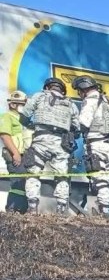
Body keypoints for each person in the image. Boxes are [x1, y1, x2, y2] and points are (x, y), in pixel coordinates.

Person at [21, 78, 79, 215]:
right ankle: (61, 209)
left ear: (47, 87)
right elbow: (77, 129)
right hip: (61, 143)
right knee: (62, 176)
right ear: (62, 89)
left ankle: (32, 208)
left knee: (33, 172)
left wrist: (31, 125)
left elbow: (24, 116)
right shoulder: (70, 103)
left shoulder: (39, 96)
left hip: (41, 139)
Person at [73, 75, 109, 216]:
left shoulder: (91, 100)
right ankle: (103, 209)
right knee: (104, 179)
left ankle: (103, 212)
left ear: (83, 88)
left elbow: (83, 123)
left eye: (79, 91)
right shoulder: (107, 100)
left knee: (99, 181)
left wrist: (70, 129)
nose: (79, 95)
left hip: (96, 145)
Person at [0, 90, 30, 212]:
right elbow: (5, 135)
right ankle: (12, 210)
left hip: (25, 156)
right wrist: (15, 153)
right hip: (15, 155)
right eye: (22, 104)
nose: (24, 107)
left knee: (23, 183)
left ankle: (21, 211)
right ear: (13, 104)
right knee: (17, 183)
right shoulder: (7, 116)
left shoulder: (23, 119)